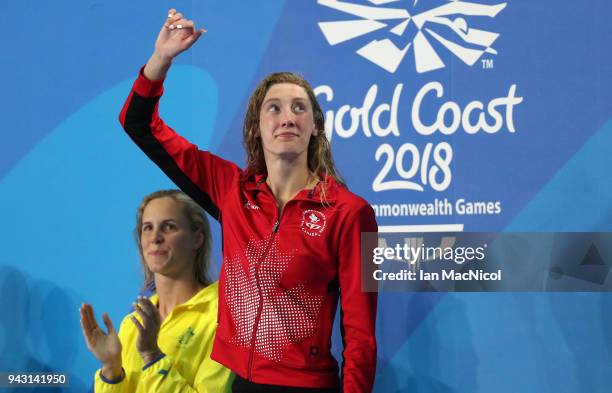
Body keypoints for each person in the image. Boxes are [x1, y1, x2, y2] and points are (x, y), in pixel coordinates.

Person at [119, 9, 378, 393]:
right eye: (274, 108)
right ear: (256, 128)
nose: (287, 117)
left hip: (306, 386)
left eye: (299, 108)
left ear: (315, 127)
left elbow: (360, 336)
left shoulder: (351, 213)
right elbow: (139, 125)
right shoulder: (231, 189)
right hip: (238, 383)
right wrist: (161, 59)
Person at [79, 190, 232, 393]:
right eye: (147, 228)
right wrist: (111, 369)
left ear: (197, 238)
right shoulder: (133, 324)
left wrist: (152, 356)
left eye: (169, 227)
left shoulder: (227, 317)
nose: (155, 238)